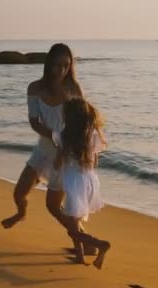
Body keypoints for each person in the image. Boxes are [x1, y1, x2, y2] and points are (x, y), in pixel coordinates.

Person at [0, 43, 97, 254]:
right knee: (19, 192)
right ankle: (21, 213)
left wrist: (83, 151)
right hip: (44, 149)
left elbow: (82, 122)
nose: (61, 70)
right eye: (57, 65)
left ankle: (82, 243)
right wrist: (53, 137)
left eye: (66, 65)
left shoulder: (74, 89)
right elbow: (34, 122)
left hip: (66, 155)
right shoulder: (34, 88)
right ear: (49, 64)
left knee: (55, 206)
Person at [53, 98, 111, 269]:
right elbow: (95, 162)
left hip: (74, 183)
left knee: (73, 229)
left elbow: (58, 162)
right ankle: (79, 257)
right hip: (90, 181)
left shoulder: (63, 136)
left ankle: (101, 245)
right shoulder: (92, 135)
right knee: (75, 223)